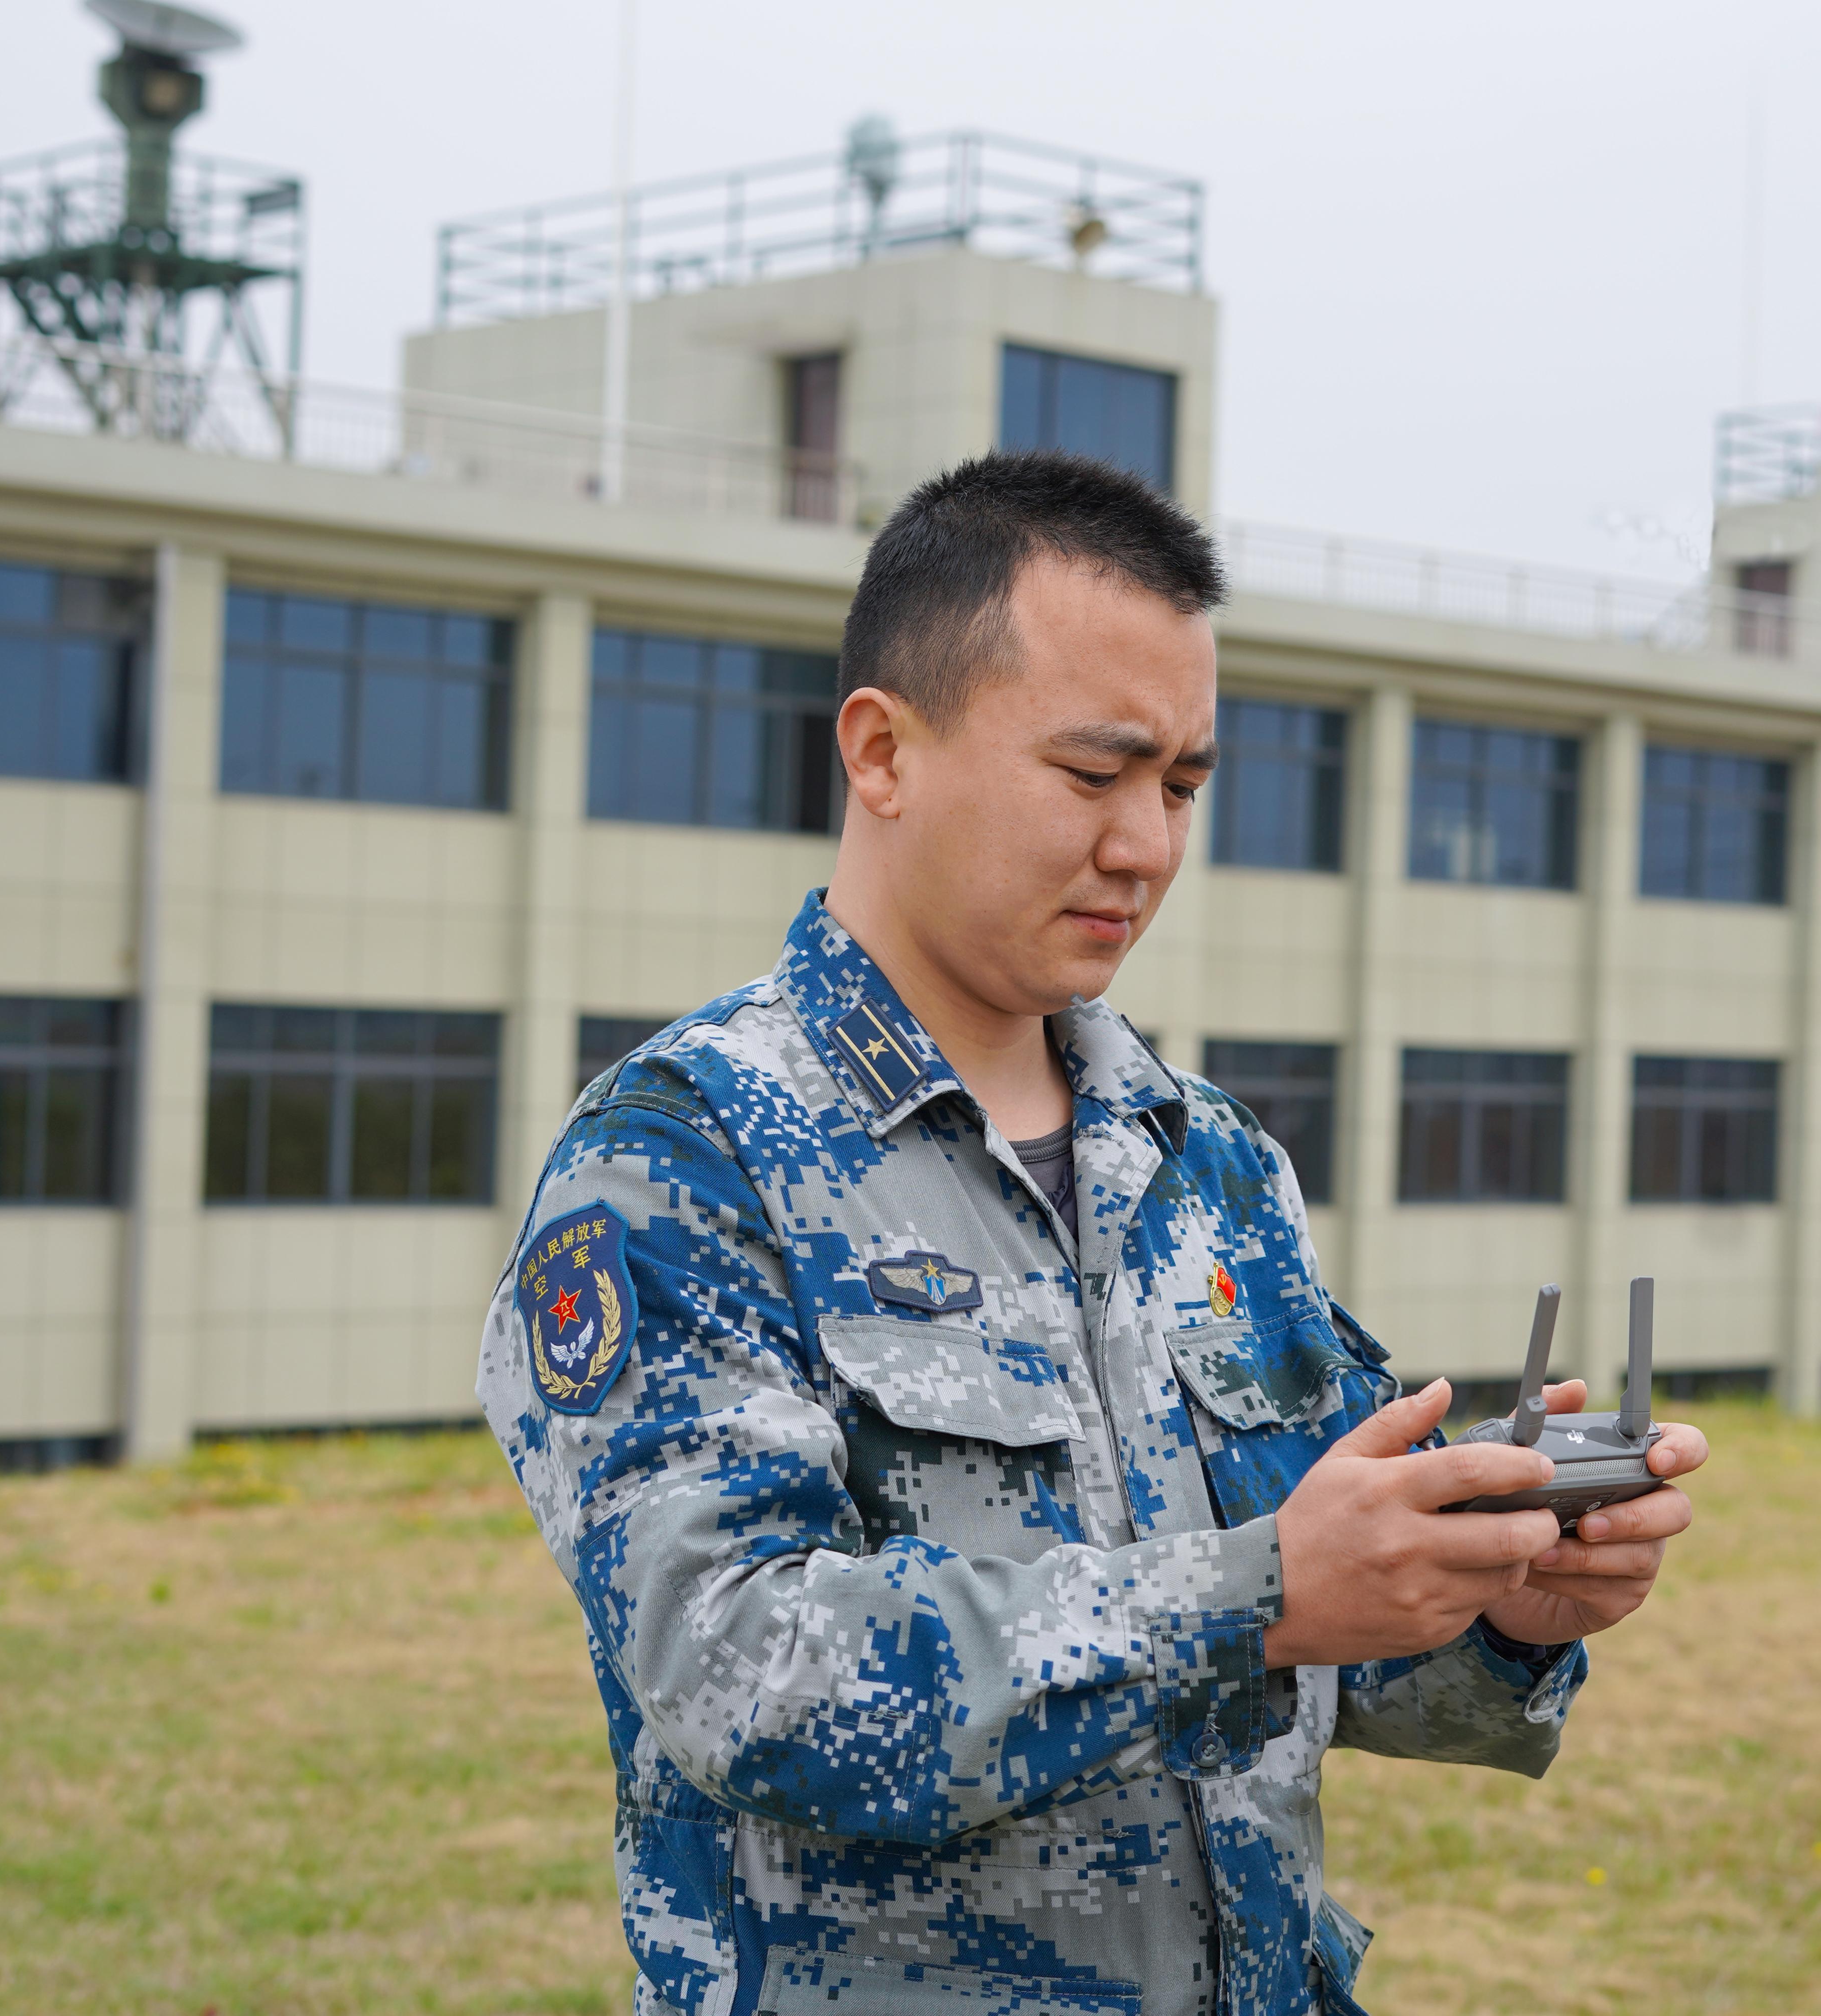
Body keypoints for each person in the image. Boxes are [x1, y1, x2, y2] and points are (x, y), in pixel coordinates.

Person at [478, 450, 1710, 2016]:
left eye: (1184, 786)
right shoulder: (682, 1158)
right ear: (881, 751)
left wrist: (1495, 1607)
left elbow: (1322, 1630)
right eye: (1092, 774)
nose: (1148, 847)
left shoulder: (1207, 1164)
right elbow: (745, 1677)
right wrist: (1255, 1594)